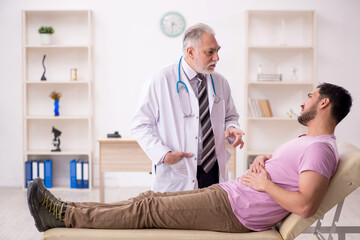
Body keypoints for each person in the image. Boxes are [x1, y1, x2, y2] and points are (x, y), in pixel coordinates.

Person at [28, 83, 352, 233]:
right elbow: (289, 174)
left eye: (309, 97)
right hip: (230, 194)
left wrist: (265, 184)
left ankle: (62, 216)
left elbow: (306, 206)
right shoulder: (308, 141)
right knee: (148, 198)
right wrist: (262, 164)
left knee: (148, 209)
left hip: (236, 210)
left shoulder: (320, 149)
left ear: (323, 104)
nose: (303, 102)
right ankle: (66, 208)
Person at [130, 23, 245, 192]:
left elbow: (230, 117)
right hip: (178, 169)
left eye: (217, 51)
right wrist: (163, 155)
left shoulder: (220, 81)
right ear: (191, 52)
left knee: (212, 216)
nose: (217, 58)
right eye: (210, 52)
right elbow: (140, 125)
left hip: (213, 169)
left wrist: (232, 128)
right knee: (176, 217)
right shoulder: (161, 79)